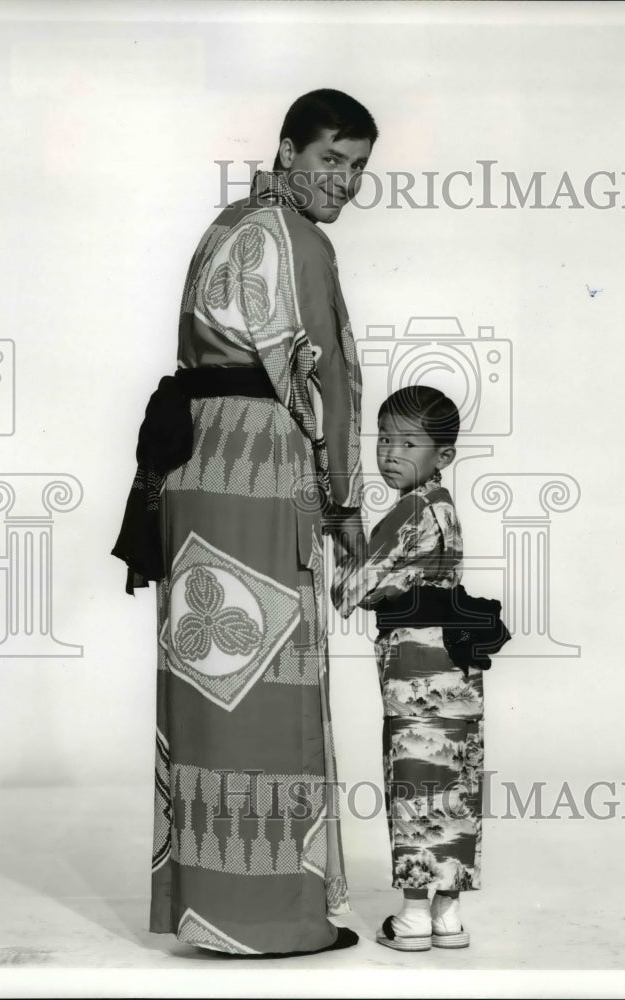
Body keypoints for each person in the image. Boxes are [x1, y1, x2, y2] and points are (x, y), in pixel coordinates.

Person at [113, 89, 377, 956]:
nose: (343, 181)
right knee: (271, 678)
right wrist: (343, 503)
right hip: (263, 466)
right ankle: (271, 919)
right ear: (289, 150)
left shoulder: (227, 222)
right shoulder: (299, 238)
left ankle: (205, 909)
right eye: (331, 159)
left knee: (211, 670)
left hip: (193, 462)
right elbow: (323, 377)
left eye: (357, 168)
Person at [332, 385, 510, 952]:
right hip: (456, 663)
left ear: (444, 456)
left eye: (409, 442)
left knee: (414, 775)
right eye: (384, 439)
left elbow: (349, 590)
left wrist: (345, 540)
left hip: (416, 664)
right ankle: (448, 917)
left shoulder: (409, 510)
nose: (391, 453)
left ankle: (411, 918)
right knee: (454, 778)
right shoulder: (442, 506)